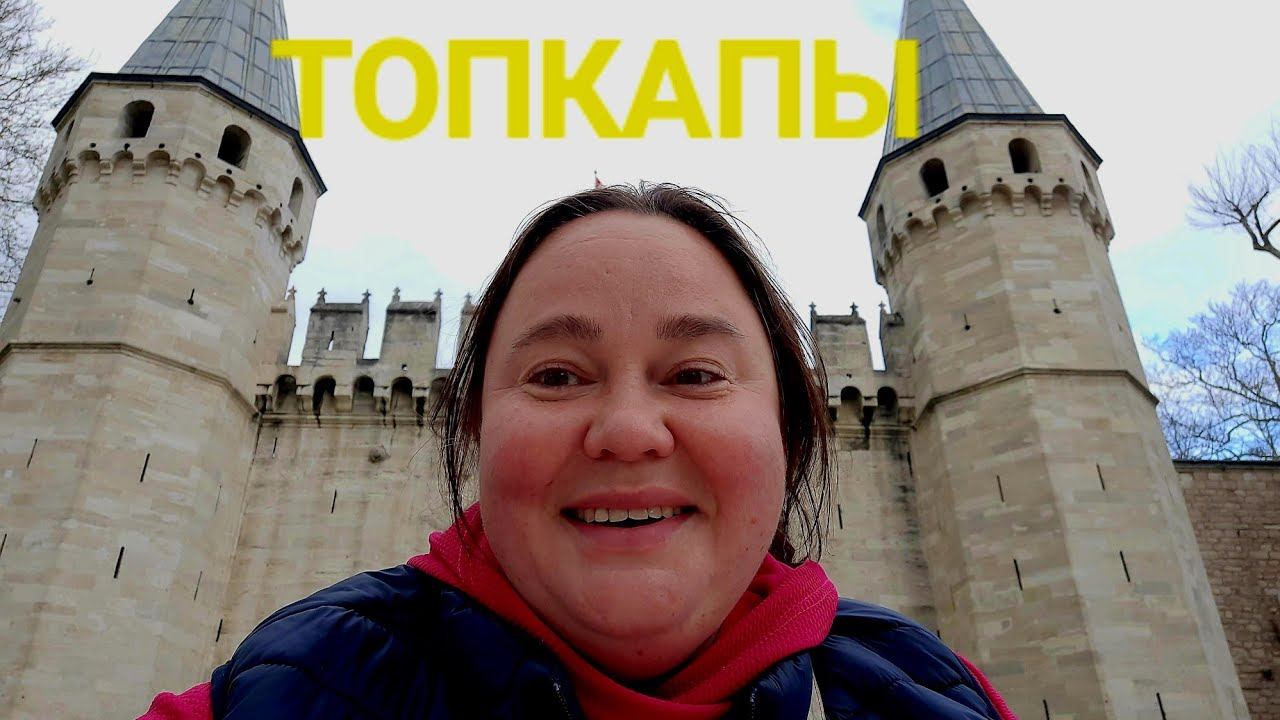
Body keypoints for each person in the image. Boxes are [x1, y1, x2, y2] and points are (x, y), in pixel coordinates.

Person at [138, 183, 1018, 719]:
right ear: (473, 425)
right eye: (556, 376)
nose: (629, 431)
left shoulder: (935, 698)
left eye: (697, 374)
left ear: (791, 427)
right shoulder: (281, 694)